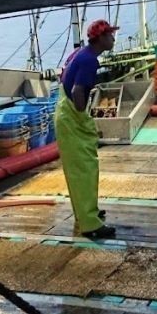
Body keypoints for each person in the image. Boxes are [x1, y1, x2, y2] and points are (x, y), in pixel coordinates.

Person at [55, 19, 118, 239]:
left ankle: (84, 212)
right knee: (85, 169)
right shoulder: (90, 60)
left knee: (77, 170)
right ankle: (90, 224)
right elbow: (78, 91)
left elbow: (65, 77)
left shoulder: (79, 54)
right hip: (72, 117)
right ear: (100, 38)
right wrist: (83, 116)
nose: (113, 39)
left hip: (63, 113)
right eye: (110, 35)